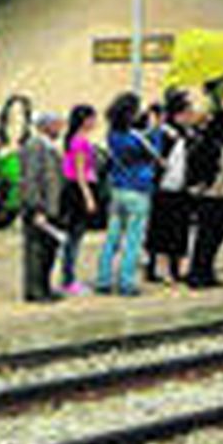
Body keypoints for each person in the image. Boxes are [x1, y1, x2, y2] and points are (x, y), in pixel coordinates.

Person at [96, 93, 156, 297]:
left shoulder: (112, 135)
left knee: (112, 237)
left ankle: (103, 279)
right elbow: (154, 157)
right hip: (137, 190)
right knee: (133, 239)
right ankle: (126, 281)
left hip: (118, 189)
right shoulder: (135, 138)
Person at [185, 107, 223, 289]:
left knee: (214, 236)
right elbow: (201, 168)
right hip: (211, 196)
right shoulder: (208, 144)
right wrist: (204, 185)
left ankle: (207, 271)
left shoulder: (222, 144)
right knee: (206, 236)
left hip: (222, 196)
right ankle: (198, 273)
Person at [146, 90, 194, 284]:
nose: (191, 116)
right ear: (178, 114)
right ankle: (161, 268)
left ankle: (179, 267)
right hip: (164, 188)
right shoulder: (164, 133)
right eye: (188, 112)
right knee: (163, 230)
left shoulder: (188, 134)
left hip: (182, 187)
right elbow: (156, 159)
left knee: (181, 229)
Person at [19, 112, 66, 303]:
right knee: (36, 250)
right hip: (39, 208)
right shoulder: (34, 146)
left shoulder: (49, 146)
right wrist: (36, 207)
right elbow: (31, 179)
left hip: (52, 207)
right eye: (57, 125)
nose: (60, 129)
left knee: (48, 250)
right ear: (45, 126)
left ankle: (45, 286)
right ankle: (35, 290)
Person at [57, 104, 99, 296]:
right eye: (92, 118)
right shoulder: (80, 142)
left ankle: (68, 278)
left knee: (72, 238)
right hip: (78, 190)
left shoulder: (73, 140)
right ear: (85, 120)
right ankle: (68, 280)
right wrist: (88, 197)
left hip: (73, 189)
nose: (95, 122)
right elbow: (81, 173)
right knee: (73, 238)